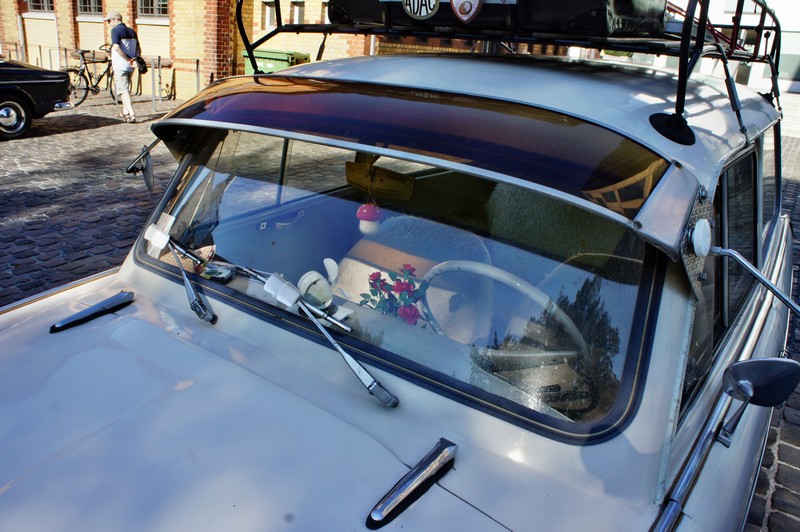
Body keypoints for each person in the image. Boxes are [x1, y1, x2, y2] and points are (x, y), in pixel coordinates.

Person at [105, 11, 140, 123]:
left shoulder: (115, 30)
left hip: (120, 65)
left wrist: (127, 58)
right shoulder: (132, 31)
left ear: (116, 19)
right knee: (126, 88)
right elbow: (138, 48)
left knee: (123, 90)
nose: (109, 23)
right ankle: (125, 112)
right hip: (130, 66)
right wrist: (134, 59)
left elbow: (116, 47)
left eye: (109, 21)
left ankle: (132, 114)